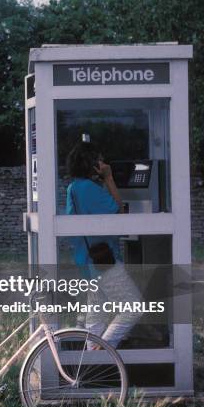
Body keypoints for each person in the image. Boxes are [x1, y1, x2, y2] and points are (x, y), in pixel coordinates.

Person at [66, 141, 143, 349]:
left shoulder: (73, 188)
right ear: (91, 163)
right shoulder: (89, 188)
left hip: (86, 260)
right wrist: (109, 178)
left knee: (96, 313)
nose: (103, 163)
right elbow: (120, 213)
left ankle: (90, 363)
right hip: (103, 259)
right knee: (133, 306)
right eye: (99, 159)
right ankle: (104, 352)